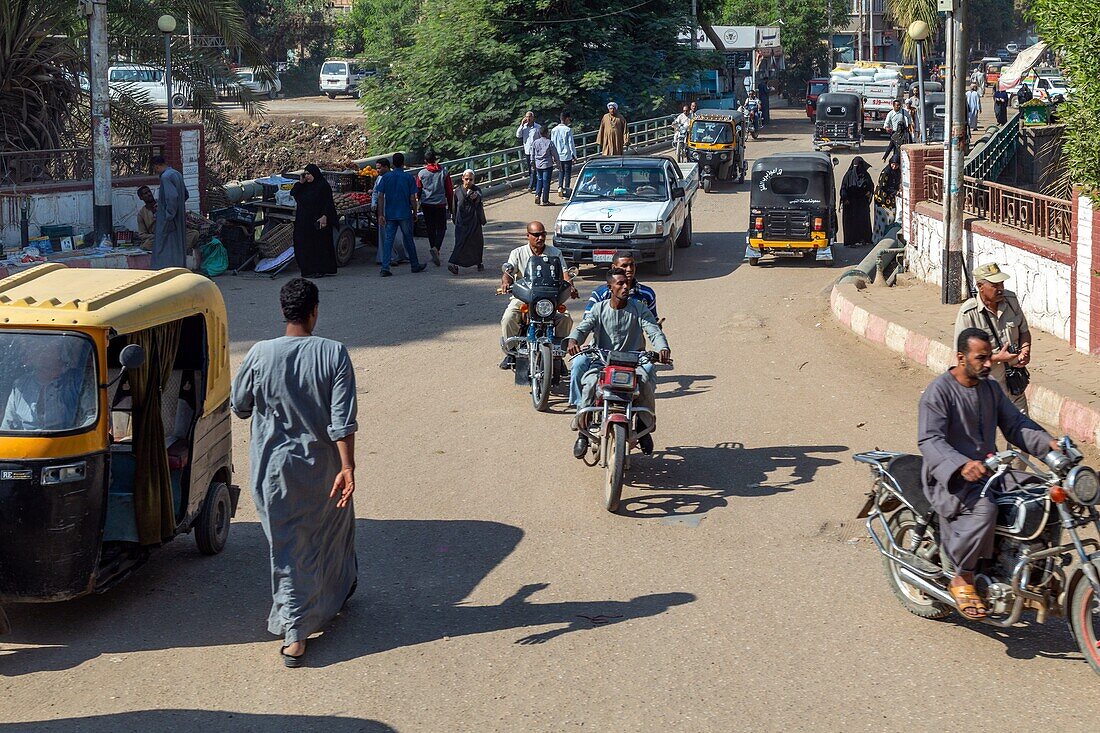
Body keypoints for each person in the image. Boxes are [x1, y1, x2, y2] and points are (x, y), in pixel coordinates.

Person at [230, 278, 359, 667]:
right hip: (324, 468)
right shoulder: (334, 354)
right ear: (314, 311)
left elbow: (239, 405)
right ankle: (297, 629)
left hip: (273, 472)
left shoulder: (260, 353)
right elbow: (342, 421)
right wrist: (348, 467)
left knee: (288, 546)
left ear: (284, 312)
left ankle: (304, 621)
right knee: (329, 533)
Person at [918, 327, 1057, 619]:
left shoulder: (990, 387)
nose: (987, 364)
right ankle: (963, 576)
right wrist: (961, 464)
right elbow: (930, 440)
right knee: (984, 509)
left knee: (1042, 495)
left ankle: (1037, 571)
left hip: (991, 471)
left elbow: (1016, 425)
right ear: (960, 357)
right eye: (980, 358)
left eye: (989, 358)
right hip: (951, 478)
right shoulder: (939, 391)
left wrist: (1050, 446)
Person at [565, 268, 670, 456]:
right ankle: (583, 432)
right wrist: (573, 340)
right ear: (610, 287)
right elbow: (583, 328)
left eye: (626, 283)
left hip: (632, 362)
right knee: (589, 384)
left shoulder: (639, 308)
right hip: (602, 362)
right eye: (619, 284)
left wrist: (663, 348)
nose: (625, 287)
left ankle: (644, 426)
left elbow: (653, 331)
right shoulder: (599, 309)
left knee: (645, 382)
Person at [954, 262, 1032, 414]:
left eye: (1001, 283)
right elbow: (962, 358)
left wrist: (1025, 350)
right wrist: (998, 357)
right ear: (980, 287)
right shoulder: (968, 313)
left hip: (1013, 384)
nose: (1000, 288)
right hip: (984, 386)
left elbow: (1024, 330)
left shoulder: (1011, 300)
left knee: (1024, 431)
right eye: (994, 285)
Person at [499, 221, 577, 368]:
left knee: (566, 319)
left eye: (543, 234)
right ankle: (511, 352)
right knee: (508, 317)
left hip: (550, 298)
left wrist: (571, 286)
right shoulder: (518, 253)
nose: (540, 238)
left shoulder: (555, 253)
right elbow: (508, 272)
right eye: (536, 235)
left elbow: (565, 274)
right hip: (524, 297)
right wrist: (505, 282)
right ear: (527, 235)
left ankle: (557, 354)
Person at [1, 338, 94, 432]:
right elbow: (8, 426)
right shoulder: (20, 385)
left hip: (68, 443)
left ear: (60, 351)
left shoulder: (77, 381)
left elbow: (93, 418)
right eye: (34, 348)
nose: (39, 352)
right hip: (25, 445)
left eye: (44, 347)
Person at [374, 152, 426, 276]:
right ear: (403, 164)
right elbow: (413, 198)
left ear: (392, 164)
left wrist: (381, 214)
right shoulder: (408, 178)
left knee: (388, 241)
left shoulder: (386, 177)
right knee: (408, 239)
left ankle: (385, 268)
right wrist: (414, 212)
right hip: (404, 213)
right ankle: (414, 265)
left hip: (390, 214)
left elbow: (380, 196)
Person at [289, 164, 339, 278]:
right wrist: (300, 183)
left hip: (318, 220)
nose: (307, 176)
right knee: (302, 244)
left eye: (309, 174)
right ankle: (307, 270)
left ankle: (320, 269)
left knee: (319, 245)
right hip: (303, 221)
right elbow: (293, 193)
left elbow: (328, 202)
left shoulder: (322, 186)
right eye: (305, 174)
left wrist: (325, 216)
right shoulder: (304, 186)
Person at [585, 251, 658, 320]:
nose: (629, 269)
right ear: (614, 267)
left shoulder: (647, 294)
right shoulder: (600, 294)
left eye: (632, 265)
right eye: (624, 266)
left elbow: (653, 321)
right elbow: (587, 320)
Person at [416, 151, 454, 267]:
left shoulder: (421, 173)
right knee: (442, 228)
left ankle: (434, 248)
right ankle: (437, 248)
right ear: (435, 159)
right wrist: (451, 207)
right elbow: (449, 191)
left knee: (430, 228)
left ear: (425, 161)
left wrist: (417, 203)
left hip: (427, 204)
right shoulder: (444, 172)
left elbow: (418, 190)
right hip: (440, 205)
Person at [152, 155, 188, 269]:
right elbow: (185, 194)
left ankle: (164, 268)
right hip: (179, 215)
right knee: (178, 243)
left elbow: (172, 197)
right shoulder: (177, 174)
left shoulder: (165, 177)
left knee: (164, 244)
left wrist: (169, 215)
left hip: (169, 217)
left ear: (157, 166)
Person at [448, 169, 486, 274]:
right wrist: (455, 219)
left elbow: (478, 197)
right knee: (460, 242)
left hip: (474, 222)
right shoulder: (457, 191)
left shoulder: (476, 190)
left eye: (471, 179)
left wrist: (474, 196)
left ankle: (479, 262)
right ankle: (453, 263)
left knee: (477, 243)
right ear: (462, 179)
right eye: (466, 179)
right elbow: (454, 207)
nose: (468, 181)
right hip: (461, 222)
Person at [371, 158, 407, 266]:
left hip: (395, 208)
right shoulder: (379, 179)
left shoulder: (394, 177)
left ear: (386, 167)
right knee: (383, 234)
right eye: (376, 168)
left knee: (397, 235)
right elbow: (375, 193)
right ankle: (387, 258)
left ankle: (399, 255)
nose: (377, 170)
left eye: (379, 168)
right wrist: (374, 203)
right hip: (383, 209)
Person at [839, 157, 874, 247]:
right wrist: (845, 198)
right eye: (855, 166)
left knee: (863, 221)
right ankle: (851, 241)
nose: (856, 169)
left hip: (862, 203)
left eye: (858, 166)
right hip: (850, 204)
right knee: (851, 223)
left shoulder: (866, 175)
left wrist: (869, 192)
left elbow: (871, 186)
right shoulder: (848, 175)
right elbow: (843, 188)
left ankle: (863, 239)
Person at [872, 153, 902, 241]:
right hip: (882, 200)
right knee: (881, 221)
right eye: (893, 164)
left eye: (896, 165)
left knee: (890, 219)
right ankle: (878, 239)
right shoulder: (886, 172)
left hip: (891, 199)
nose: (894, 166)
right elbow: (882, 187)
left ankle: (888, 238)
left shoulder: (897, 172)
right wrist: (895, 192)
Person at [531, 125, 559, 206]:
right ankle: (545, 200)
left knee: (539, 180)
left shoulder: (535, 142)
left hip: (538, 164)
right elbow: (555, 154)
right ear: (547, 133)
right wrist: (558, 164)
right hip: (547, 164)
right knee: (546, 182)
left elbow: (532, 154)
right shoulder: (549, 142)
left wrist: (532, 163)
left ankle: (537, 195)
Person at [551, 112, 577, 198]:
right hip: (567, 155)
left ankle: (560, 187)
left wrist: (553, 155)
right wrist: (574, 155)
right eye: (569, 119)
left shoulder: (554, 130)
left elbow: (552, 144)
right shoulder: (568, 130)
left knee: (561, 172)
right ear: (566, 119)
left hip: (558, 155)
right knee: (568, 173)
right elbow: (571, 144)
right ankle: (566, 191)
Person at [516, 112, 541, 194]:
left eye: (530, 117)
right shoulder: (524, 128)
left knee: (534, 169)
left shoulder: (537, 127)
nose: (528, 119)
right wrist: (521, 125)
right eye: (527, 117)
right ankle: (536, 185)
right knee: (531, 170)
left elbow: (541, 138)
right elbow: (518, 135)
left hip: (536, 152)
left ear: (533, 118)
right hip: (527, 151)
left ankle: (531, 186)